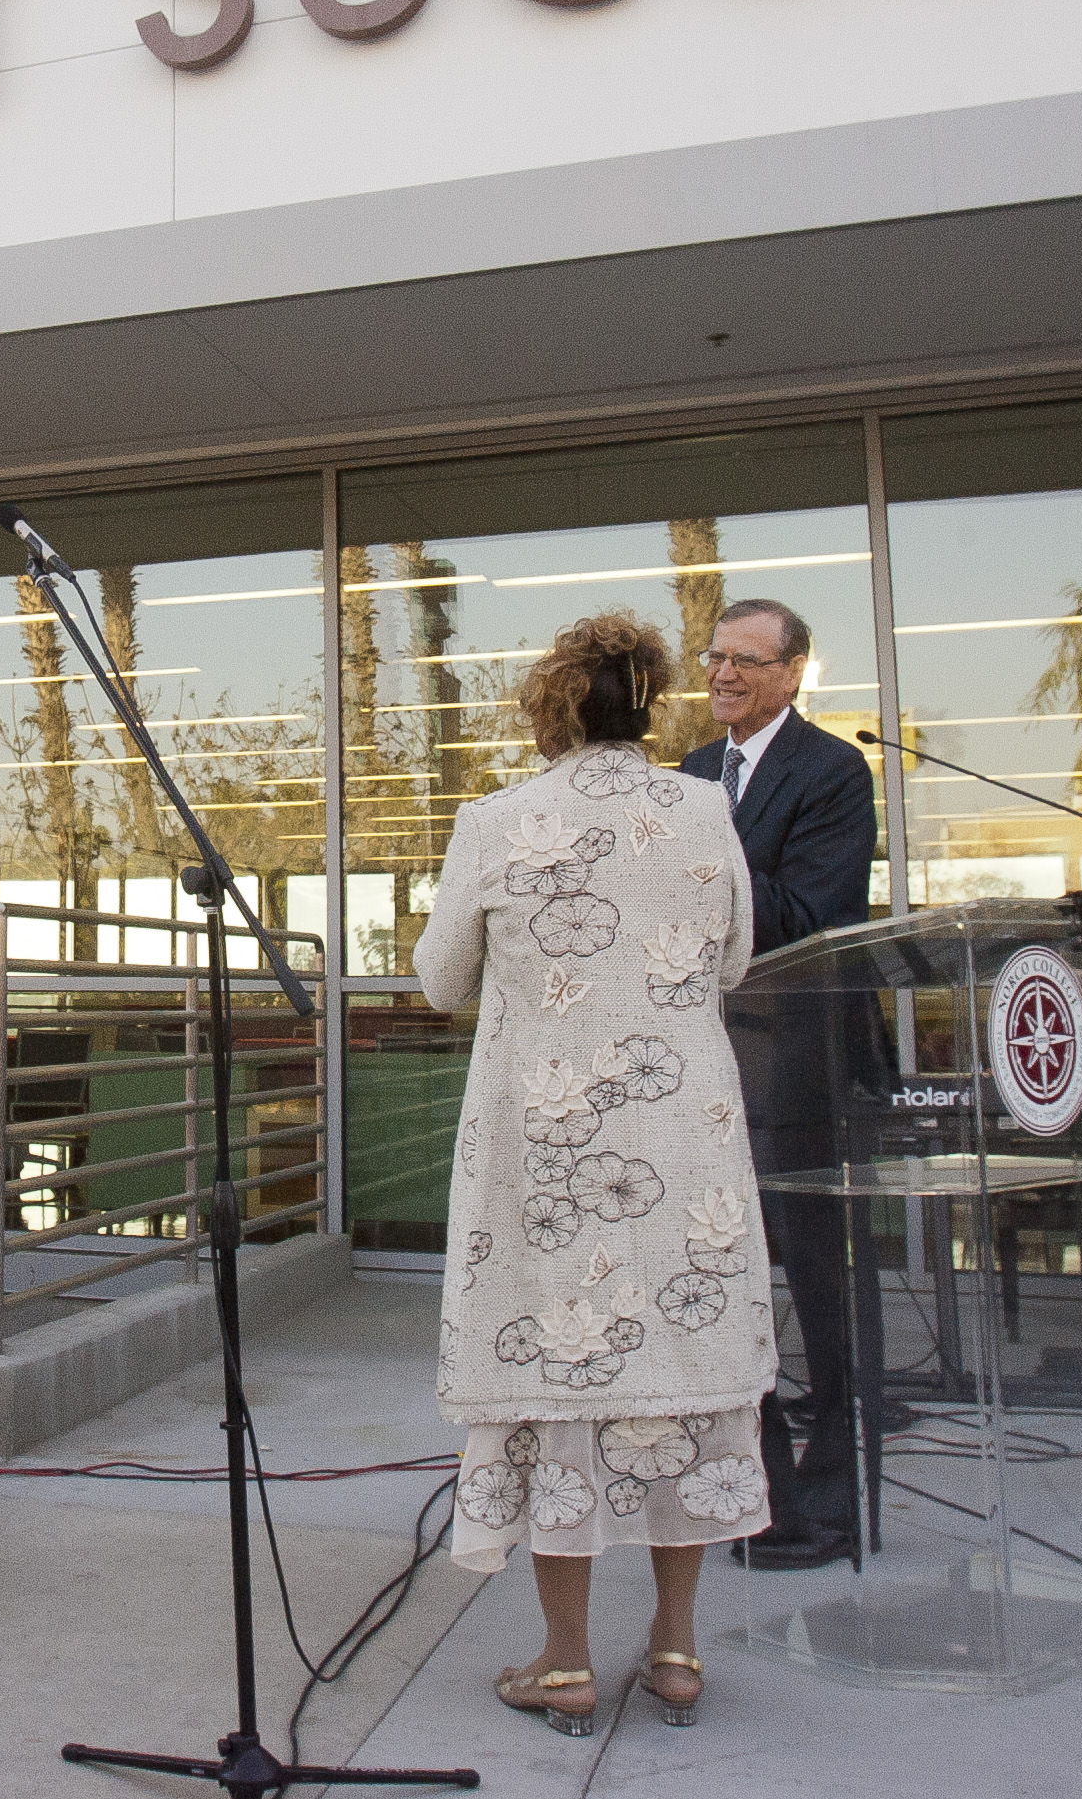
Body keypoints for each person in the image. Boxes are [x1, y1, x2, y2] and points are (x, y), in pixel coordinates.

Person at [422, 610, 774, 1736]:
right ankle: (674, 1648)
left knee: (557, 1380)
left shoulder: (496, 820)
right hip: (683, 1137)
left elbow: (440, 980)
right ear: (649, 702)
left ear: (552, 706)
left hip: (549, 1145)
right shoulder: (705, 808)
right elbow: (734, 957)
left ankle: (565, 1660)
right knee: (682, 1371)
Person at [673, 598, 878, 1570]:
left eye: (746, 660)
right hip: (705, 1065)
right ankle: (759, 1498)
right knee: (725, 1285)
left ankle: (832, 1501)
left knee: (819, 1288)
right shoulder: (689, 772)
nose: (723, 673)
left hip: (799, 1066)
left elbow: (810, 911)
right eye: (715, 656)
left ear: (793, 672)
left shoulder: (831, 770)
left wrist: (695, 862)